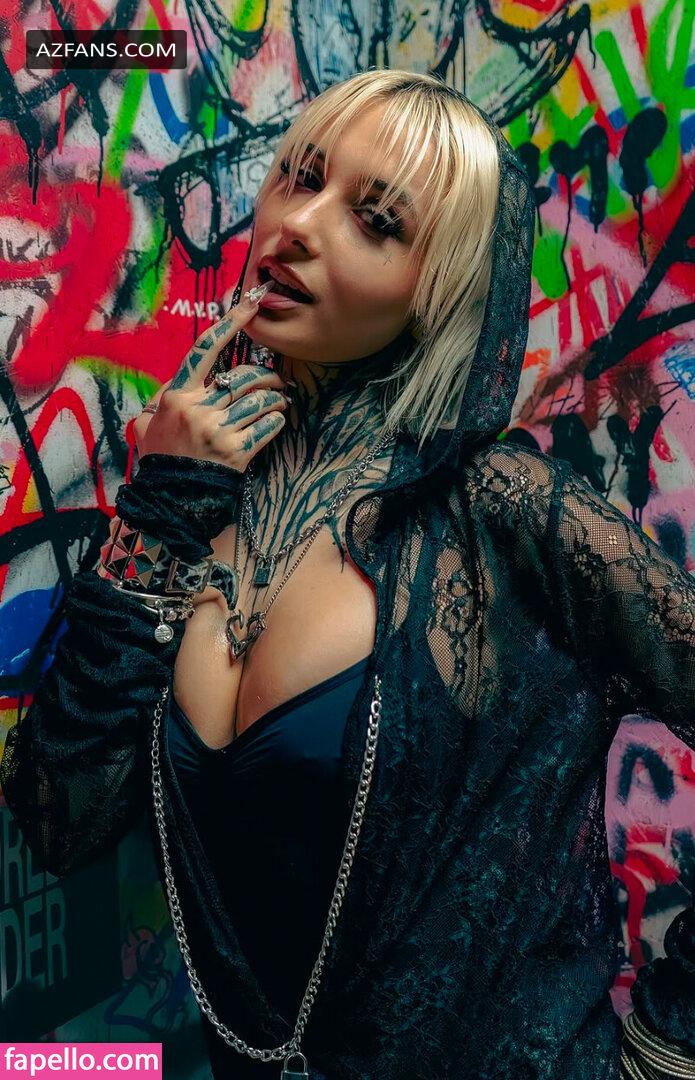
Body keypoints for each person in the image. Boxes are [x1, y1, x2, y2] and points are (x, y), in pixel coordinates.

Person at [1, 68, 693, 1080]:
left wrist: (666, 1047)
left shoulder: (501, 512)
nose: (297, 226)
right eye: (299, 177)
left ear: (437, 290)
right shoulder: (191, 502)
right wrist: (160, 508)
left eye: (374, 221)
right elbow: (60, 822)